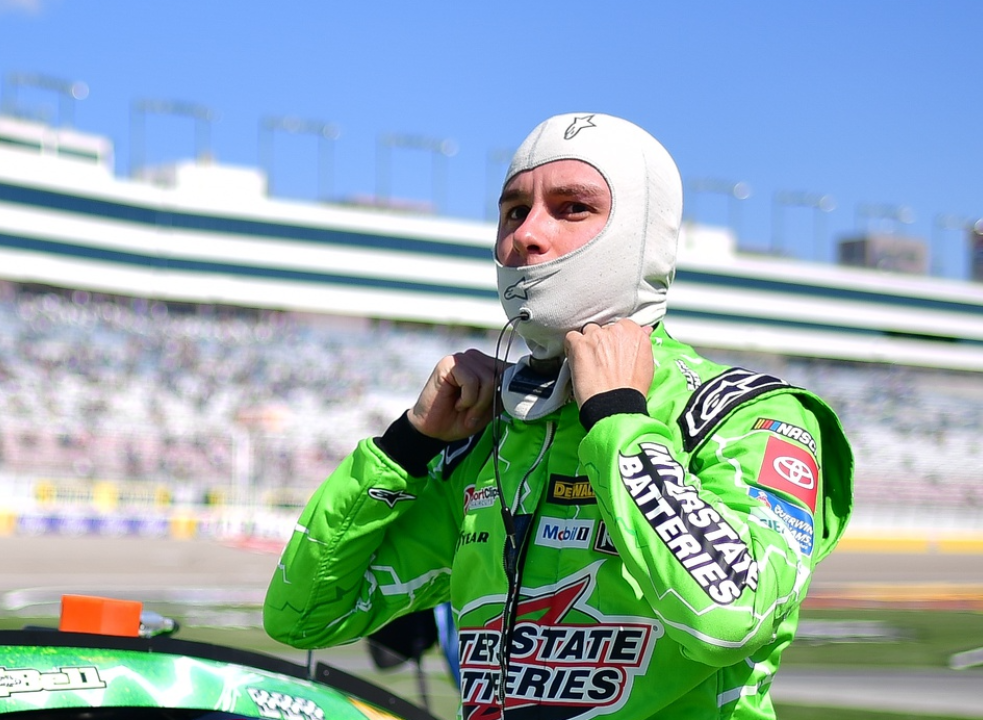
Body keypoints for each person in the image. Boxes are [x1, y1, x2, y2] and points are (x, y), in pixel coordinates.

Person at [264, 113, 853, 720]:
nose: (526, 235)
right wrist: (407, 445)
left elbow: (731, 621)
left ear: (643, 234)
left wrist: (618, 421)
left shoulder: (747, 417)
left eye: (572, 208)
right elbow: (303, 614)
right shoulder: (494, 437)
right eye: (514, 212)